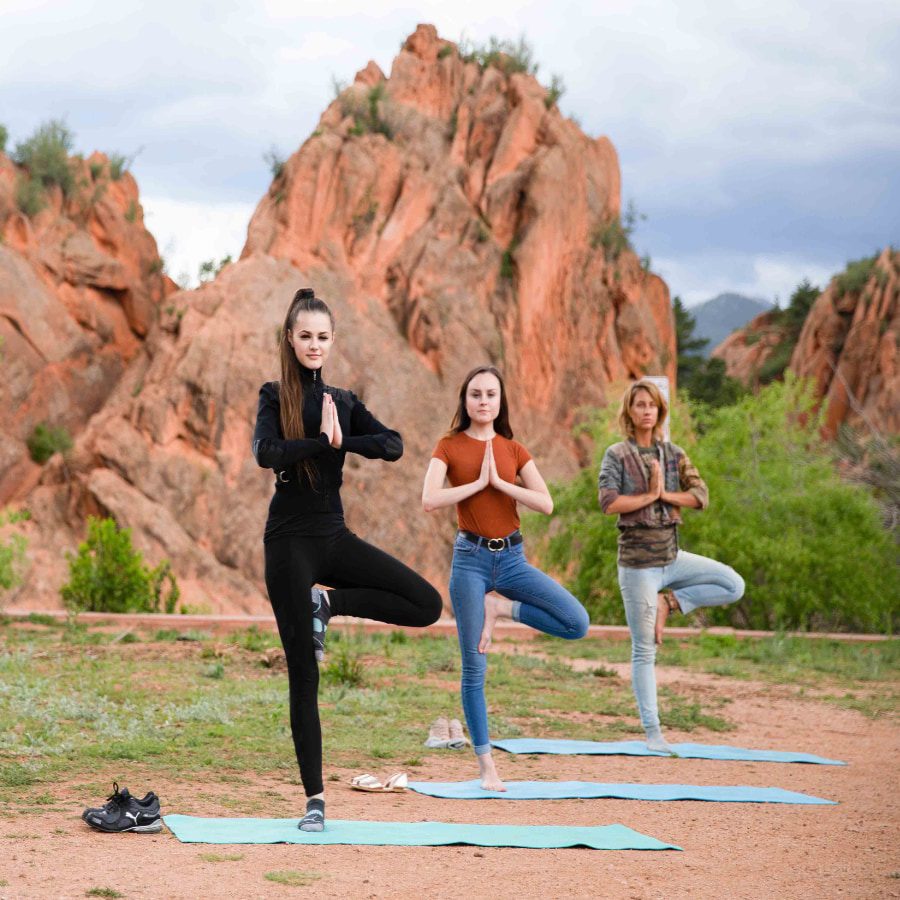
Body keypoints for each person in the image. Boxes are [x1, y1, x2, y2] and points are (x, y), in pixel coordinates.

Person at [253, 288, 442, 831]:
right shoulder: (274, 395)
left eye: (322, 337)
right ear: (290, 339)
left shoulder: (343, 399)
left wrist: (344, 442)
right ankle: (314, 800)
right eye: (305, 336)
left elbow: (394, 444)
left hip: (334, 538)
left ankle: (329, 605)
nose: (314, 345)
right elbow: (265, 452)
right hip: (288, 546)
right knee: (304, 674)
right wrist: (318, 442)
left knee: (426, 603)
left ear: (332, 342)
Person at [422, 365, 589, 791]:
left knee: (576, 622)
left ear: (500, 401)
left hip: (512, 558)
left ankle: (502, 607)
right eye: (475, 394)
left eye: (490, 394)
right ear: (465, 400)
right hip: (470, 561)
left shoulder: (514, 449)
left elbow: (546, 503)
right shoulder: (448, 446)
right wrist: (477, 484)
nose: (482, 401)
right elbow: (429, 499)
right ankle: (487, 767)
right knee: (474, 667)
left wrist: (501, 483)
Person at [598, 380, 745, 753]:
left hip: (672, 559)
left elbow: (701, 496)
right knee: (644, 649)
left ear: (660, 411)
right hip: (638, 567)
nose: (646, 410)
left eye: (652, 405)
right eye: (639, 404)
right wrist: (647, 495)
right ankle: (653, 733)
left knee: (732, 584)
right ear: (630, 412)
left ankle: (671, 602)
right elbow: (608, 502)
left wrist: (662, 493)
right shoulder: (616, 454)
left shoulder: (674, 454)